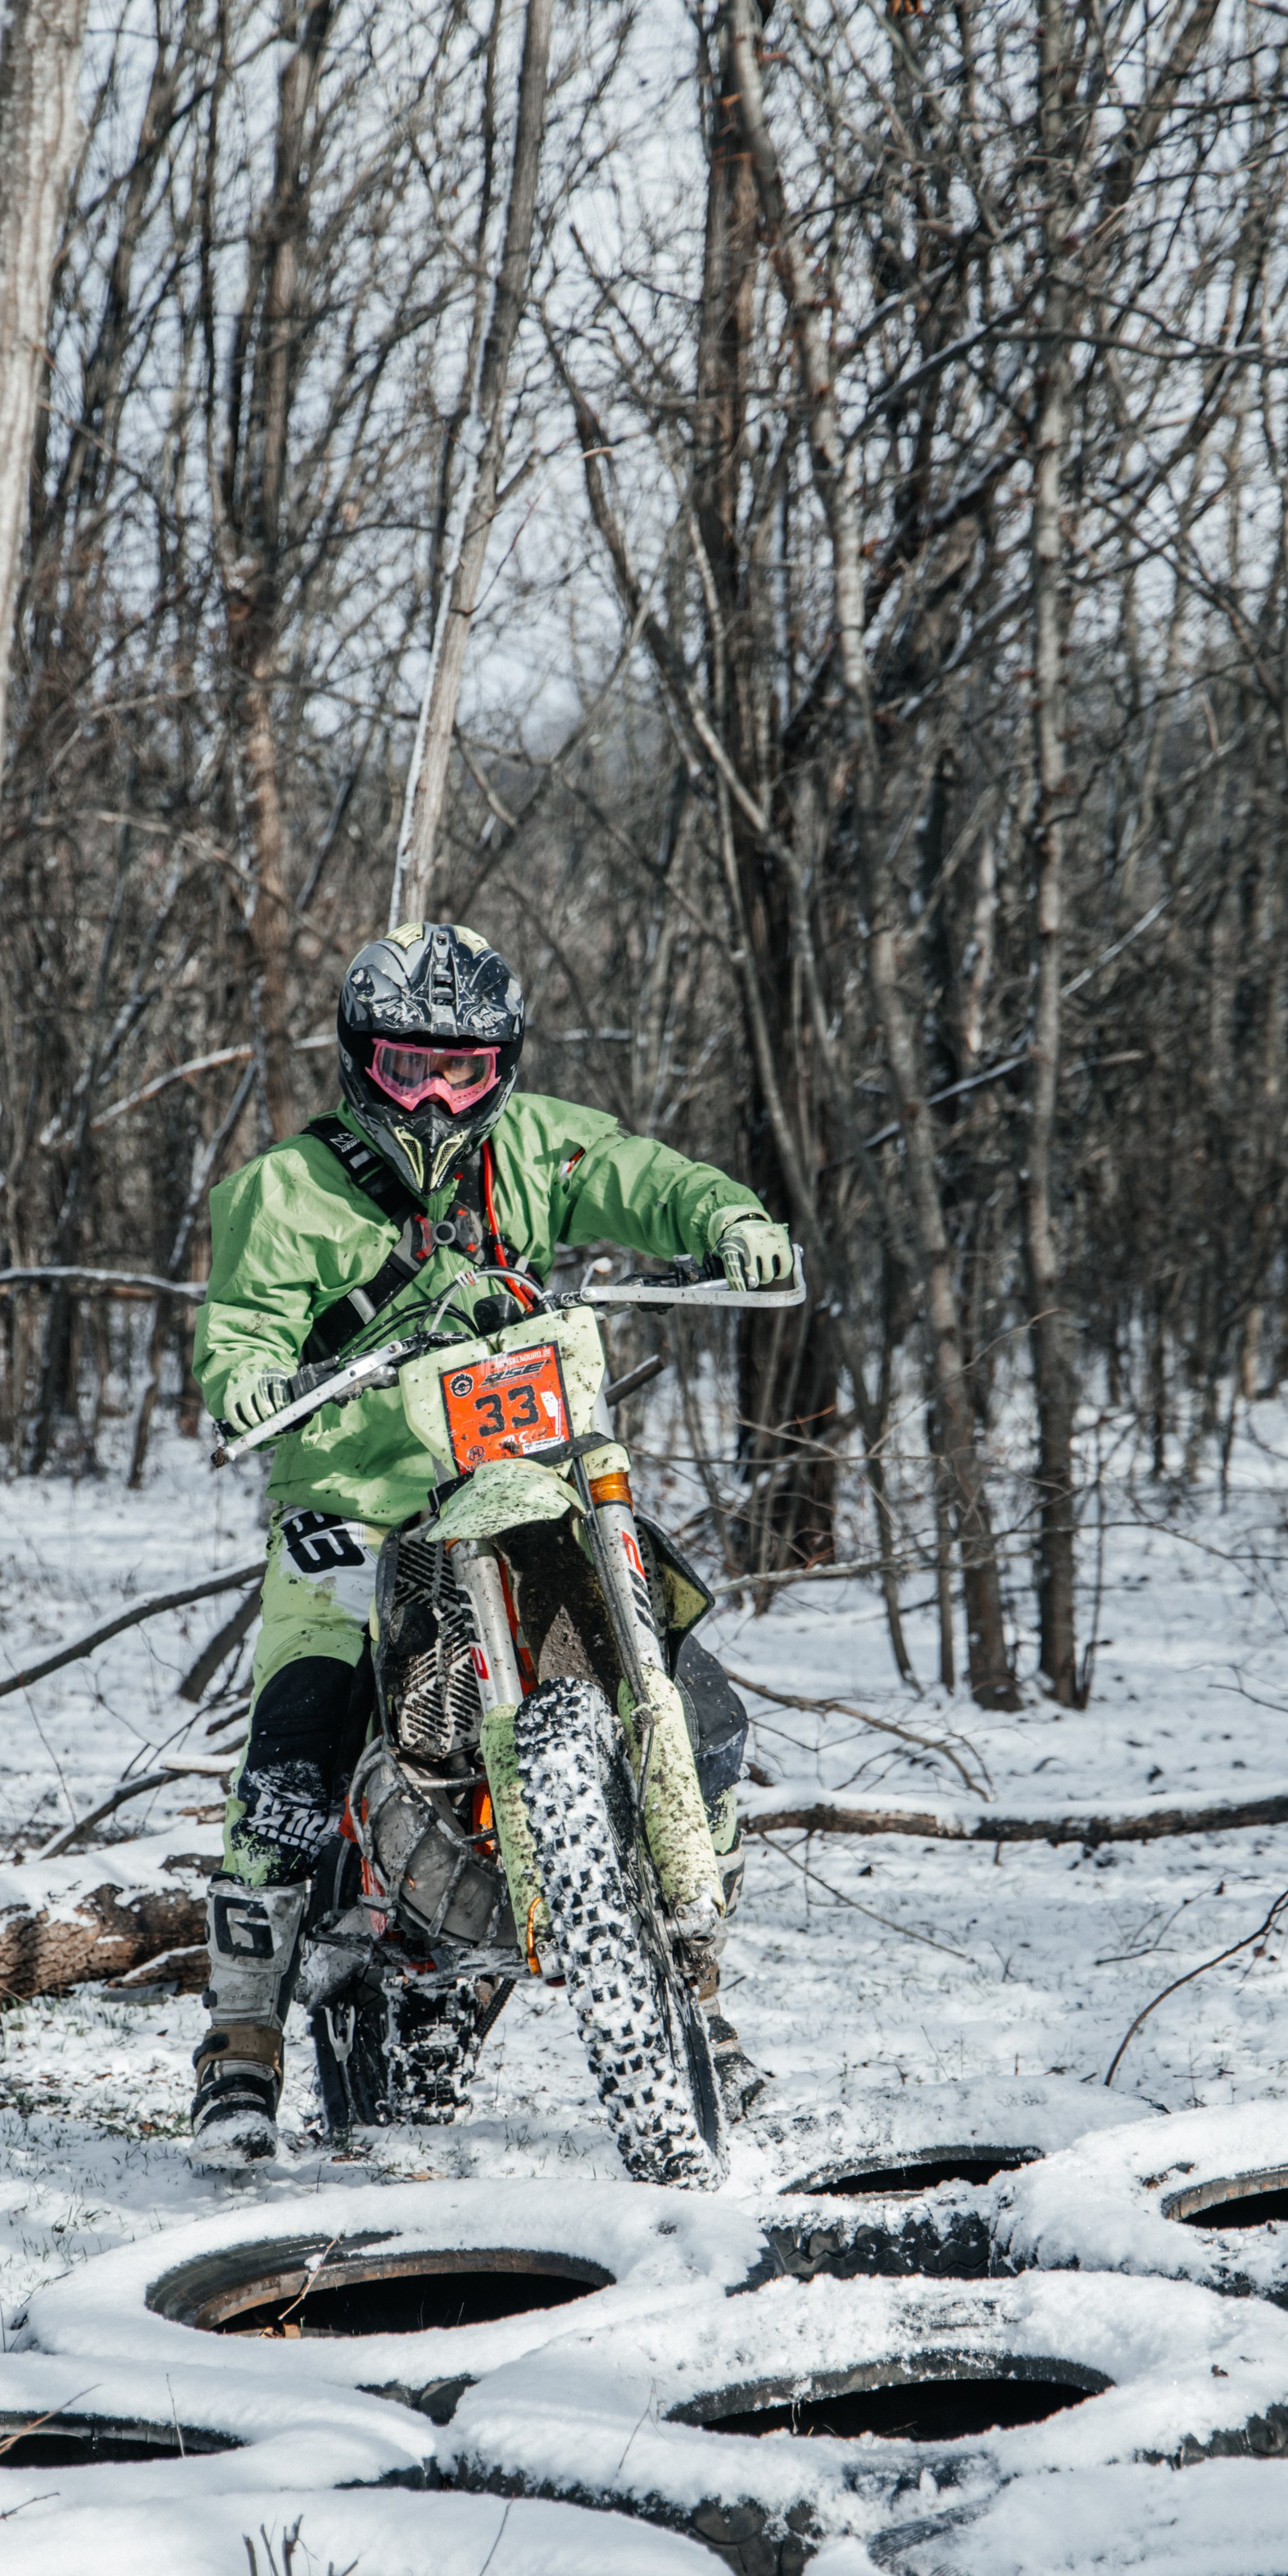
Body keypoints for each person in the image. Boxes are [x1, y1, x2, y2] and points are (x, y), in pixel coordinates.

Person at [188, 920, 794, 2165]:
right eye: (408, 1066)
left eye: (461, 1071)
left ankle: (696, 1992)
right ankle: (240, 2046)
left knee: (674, 1672)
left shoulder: (535, 1147)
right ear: (361, 1060)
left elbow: (645, 1176)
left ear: (502, 1067)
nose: (434, 1098)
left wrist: (730, 1217)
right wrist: (247, 1377)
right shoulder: (282, 1191)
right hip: (356, 1495)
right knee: (296, 1740)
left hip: (525, 1473)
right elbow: (241, 1331)